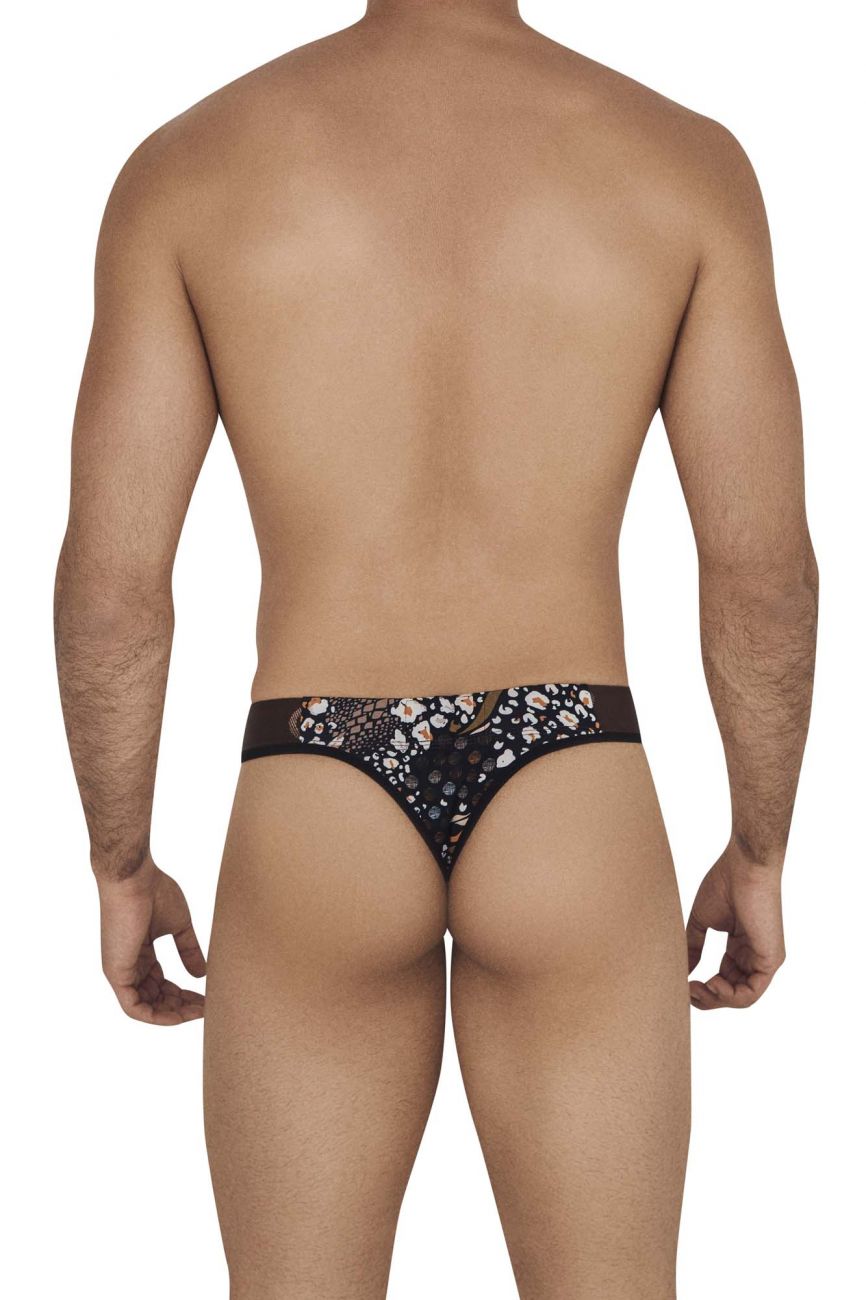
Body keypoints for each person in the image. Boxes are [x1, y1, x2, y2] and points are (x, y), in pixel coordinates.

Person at [53, 1, 818, 1296]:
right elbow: (761, 578)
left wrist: (120, 864)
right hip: (569, 772)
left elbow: (113, 593)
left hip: (316, 779)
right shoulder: (681, 164)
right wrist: (759, 848)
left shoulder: (188, 168)